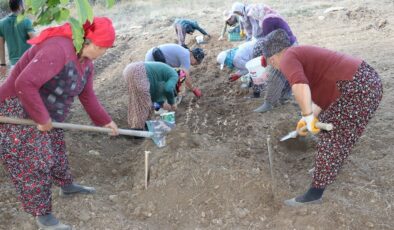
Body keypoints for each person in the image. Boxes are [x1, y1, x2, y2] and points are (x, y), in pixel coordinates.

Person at [0, 17, 119, 229]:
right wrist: (42, 119)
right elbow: (24, 84)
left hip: (44, 108)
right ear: (90, 43)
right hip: (17, 106)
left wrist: (105, 121)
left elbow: (87, 95)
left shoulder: (86, 62)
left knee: (56, 149)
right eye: (103, 48)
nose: (104, 53)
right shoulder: (58, 48)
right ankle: (43, 216)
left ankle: (66, 186)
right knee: (35, 160)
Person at [260, 29, 383, 206]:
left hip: (357, 86)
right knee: (340, 132)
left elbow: (300, 86)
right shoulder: (297, 53)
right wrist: (307, 119)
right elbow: (322, 96)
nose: (274, 66)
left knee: (333, 136)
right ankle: (326, 169)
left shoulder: (287, 58)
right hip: (364, 82)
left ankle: (315, 194)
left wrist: (307, 116)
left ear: (272, 58)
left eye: (271, 63)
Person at [249, 4, 297, 113]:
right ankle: (285, 97)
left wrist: (267, 58)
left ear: (258, 13)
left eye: (254, 16)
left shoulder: (267, 21)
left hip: (285, 48)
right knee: (287, 72)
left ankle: (269, 103)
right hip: (292, 44)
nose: (254, 18)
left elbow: (271, 41)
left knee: (275, 74)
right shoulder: (271, 16)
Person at [123, 61, 178, 129]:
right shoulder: (174, 75)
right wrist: (172, 103)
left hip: (129, 70)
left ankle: (142, 125)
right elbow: (168, 89)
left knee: (138, 103)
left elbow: (154, 100)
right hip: (139, 72)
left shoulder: (162, 78)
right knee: (144, 105)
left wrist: (161, 104)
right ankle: (138, 130)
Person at [0, 0, 35, 77]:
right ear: (20, 6)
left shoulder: (1, 23)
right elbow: (36, 42)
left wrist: (2, 64)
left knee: (17, 88)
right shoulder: (26, 21)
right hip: (27, 64)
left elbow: (1, 47)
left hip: (14, 66)